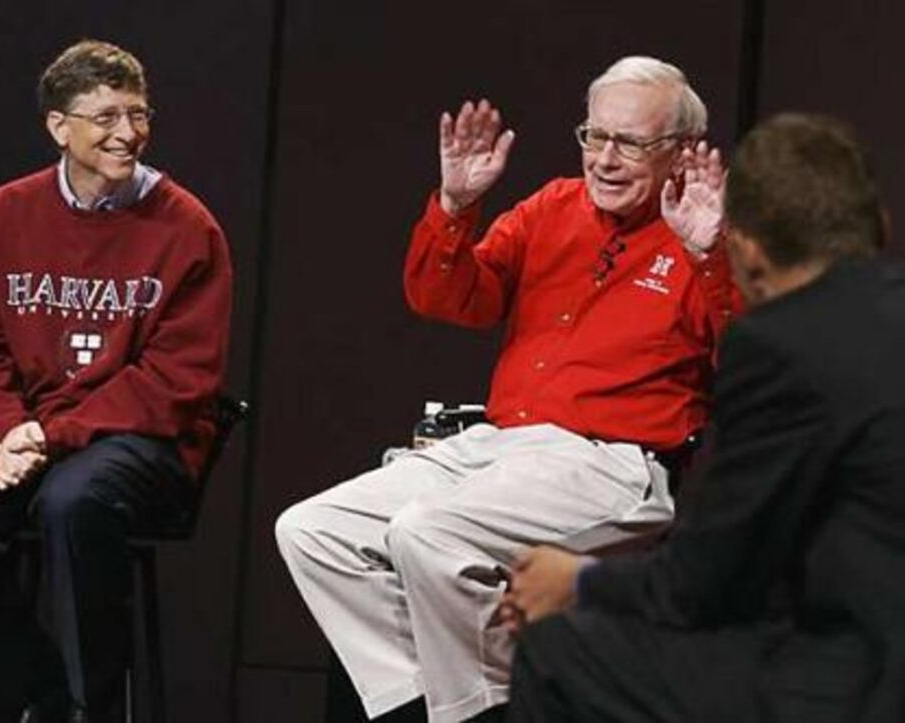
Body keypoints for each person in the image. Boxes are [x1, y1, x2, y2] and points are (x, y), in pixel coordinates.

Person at [275, 56, 740, 722]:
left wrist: (709, 259)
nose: (605, 159)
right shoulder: (552, 205)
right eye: (594, 136)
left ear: (682, 153)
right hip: (503, 445)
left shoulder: (707, 238)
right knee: (313, 530)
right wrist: (456, 207)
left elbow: (755, 365)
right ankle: (425, 705)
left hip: (611, 462)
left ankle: (481, 711)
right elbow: (449, 298)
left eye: (630, 143)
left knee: (425, 533)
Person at [505, 113, 902, 723]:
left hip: (862, 676)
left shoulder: (781, 344)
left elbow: (703, 580)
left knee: (561, 652)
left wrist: (577, 582)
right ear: (880, 227)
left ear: (742, 250)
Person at [0, 39, 232, 723]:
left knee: (74, 501)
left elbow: (175, 381)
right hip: (25, 431)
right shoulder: (2, 215)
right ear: (60, 127)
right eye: (106, 117)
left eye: (138, 114)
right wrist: (8, 430)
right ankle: (40, 687)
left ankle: (94, 710)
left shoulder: (189, 228)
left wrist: (52, 435)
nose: (128, 133)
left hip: (139, 442)